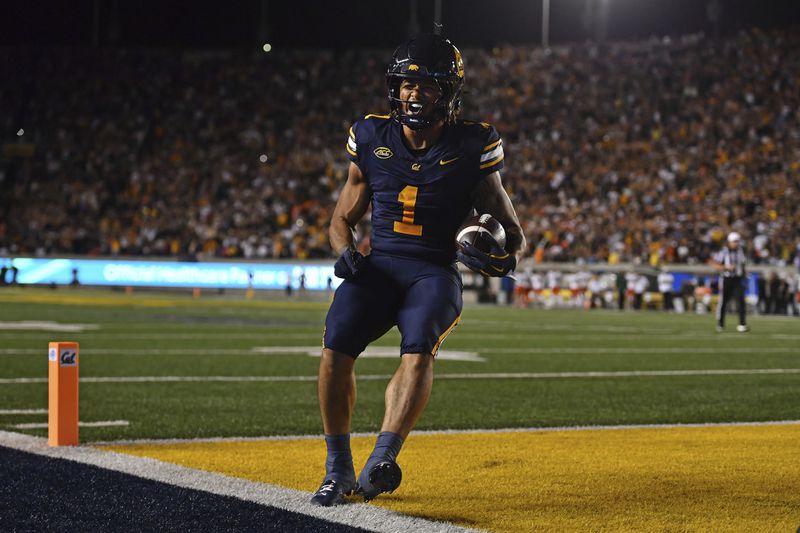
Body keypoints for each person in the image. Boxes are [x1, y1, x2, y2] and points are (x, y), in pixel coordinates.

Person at [311, 33, 525, 506]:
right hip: (379, 266)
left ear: (448, 92)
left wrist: (503, 257)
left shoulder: (474, 144)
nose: (413, 93)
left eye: (425, 85)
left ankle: (383, 456)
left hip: (432, 270)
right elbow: (340, 219)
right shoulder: (370, 136)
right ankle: (337, 467)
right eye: (406, 83)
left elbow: (513, 231)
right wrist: (345, 250)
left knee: (419, 346)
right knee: (334, 347)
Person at [711, 232, 749, 332]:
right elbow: (715, 264)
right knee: (724, 301)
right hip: (726, 279)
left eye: (737, 241)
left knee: (741, 301)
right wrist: (726, 267)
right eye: (734, 241)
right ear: (729, 242)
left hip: (738, 279)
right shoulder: (724, 252)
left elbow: (743, 264)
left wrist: (744, 276)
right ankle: (720, 324)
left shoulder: (741, 251)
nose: (736, 243)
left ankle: (742, 324)